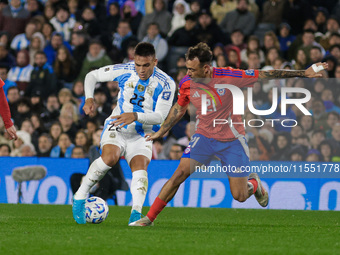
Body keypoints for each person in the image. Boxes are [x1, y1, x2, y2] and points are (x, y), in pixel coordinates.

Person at [130, 42, 327, 226]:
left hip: (232, 141)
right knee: (178, 174)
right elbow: (179, 108)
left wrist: (304, 73)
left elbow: (268, 74)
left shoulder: (231, 76)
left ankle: (253, 184)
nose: (187, 73)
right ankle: (149, 218)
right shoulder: (187, 83)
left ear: (206, 68)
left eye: (192, 69)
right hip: (204, 138)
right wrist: (162, 130)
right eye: (187, 69)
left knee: (240, 196)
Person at [72, 42, 176, 225]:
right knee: (110, 158)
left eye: (146, 65)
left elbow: (160, 117)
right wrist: (89, 98)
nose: (141, 70)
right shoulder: (125, 69)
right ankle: (80, 197)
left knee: (140, 168)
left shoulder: (166, 83)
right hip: (118, 125)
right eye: (138, 64)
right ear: (133, 61)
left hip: (142, 132)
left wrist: (135, 116)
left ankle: (136, 214)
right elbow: (91, 75)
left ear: (155, 62)